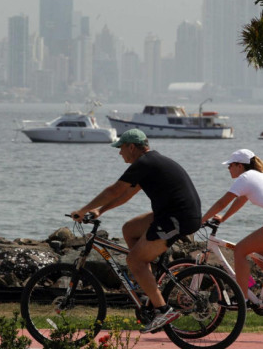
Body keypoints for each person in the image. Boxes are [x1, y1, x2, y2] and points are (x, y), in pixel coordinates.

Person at [71, 129, 202, 333]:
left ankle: (163, 309)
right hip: (172, 214)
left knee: (134, 260)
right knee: (129, 229)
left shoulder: (145, 163)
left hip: (177, 219)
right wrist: (100, 210)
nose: (119, 153)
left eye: (121, 148)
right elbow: (125, 196)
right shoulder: (150, 164)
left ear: (132, 147)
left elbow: (114, 190)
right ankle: (148, 281)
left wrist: (82, 210)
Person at [201, 149, 263, 295]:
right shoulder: (260, 176)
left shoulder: (246, 178)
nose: (228, 168)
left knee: (240, 250)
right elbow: (240, 201)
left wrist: (200, 221)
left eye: (230, 165)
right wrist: (223, 218)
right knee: (258, 256)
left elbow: (221, 203)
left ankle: (243, 298)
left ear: (240, 166)